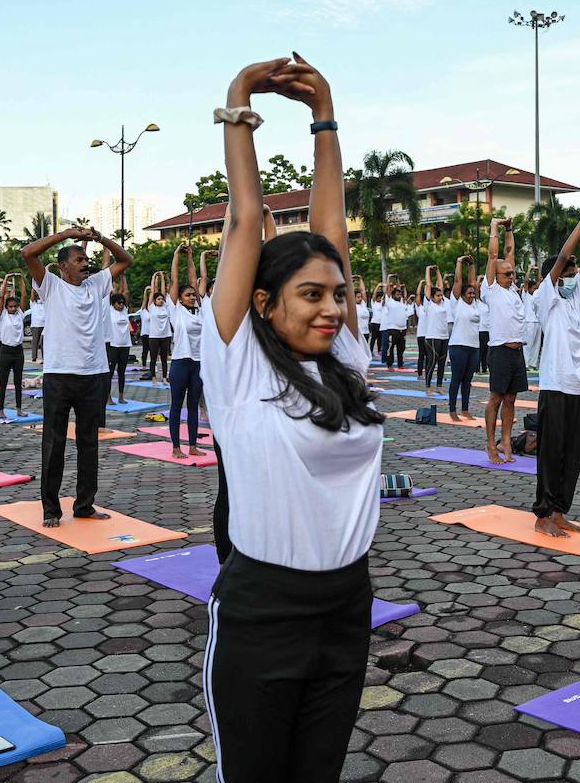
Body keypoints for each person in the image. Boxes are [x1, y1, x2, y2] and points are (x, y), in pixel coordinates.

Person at [203, 53, 386, 783]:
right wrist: (240, 97)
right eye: (309, 295)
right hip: (262, 612)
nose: (331, 308)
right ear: (263, 301)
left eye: (336, 295)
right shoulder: (237, 365)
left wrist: (326, 114)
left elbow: (330, 228)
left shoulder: (346, 360)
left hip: (347, 604)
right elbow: (249, 216)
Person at [22, 225, 132, 528]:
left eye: (86, 258)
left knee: (89, 443)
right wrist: (65, 235)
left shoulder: (96, 284)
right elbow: (28, 253)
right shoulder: (51, 285)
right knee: (54, 444)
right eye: (79, 259)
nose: (86, 263)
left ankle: (85, 505)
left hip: (94, 374)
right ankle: (50, 509)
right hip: (59, 375)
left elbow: (126, 260)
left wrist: (99, 238)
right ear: (63, 266)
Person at [533, 200, 580, 537]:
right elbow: (565, 256)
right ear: (555, 276)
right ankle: (543, 515)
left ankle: (561, 510)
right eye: (568, 270)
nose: (574, 273)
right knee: (550, 454)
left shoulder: (575, 295)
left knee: (571, 455)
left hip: (575, 385)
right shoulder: (545, 297)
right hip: (554, 384)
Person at [482, 217, 527, 463]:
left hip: (517, 352)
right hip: (499, 350)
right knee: (496, 399)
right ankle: (490, 445)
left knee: (511, 399)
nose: (512, 275)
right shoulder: (491, 288)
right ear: (496, 276)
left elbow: (510, 251)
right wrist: (495, 227)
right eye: (507, 273)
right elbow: (494, 255)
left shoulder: (511, 289)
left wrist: (510, 228)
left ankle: (506, 441)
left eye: (512, 273)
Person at [168, 244, 205, 459]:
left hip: (198, 363)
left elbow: (194, 281)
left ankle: (192, 445)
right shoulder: (176, 311)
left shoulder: (200, 310)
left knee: (193, 405)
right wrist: (176, 256)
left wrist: (191, 256)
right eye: (188, 295)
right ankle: (175, 447)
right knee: (176, 405)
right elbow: (176, 281)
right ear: (180, 298)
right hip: (181, 362)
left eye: (193, 294)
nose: (192, 296)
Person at [448, 256, 484, 420]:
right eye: (468, 293)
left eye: (473, 293)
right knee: (457, 378)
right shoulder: (457, 303)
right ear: (461, 294)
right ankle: (452, 410)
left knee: (467, 380)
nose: (471, 295)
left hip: (473, 347)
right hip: (458, 346)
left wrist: (472, 265)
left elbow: (473, 282)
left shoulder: (476, 303)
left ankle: (465, 409)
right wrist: (460, 262)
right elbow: (458, 280)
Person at [0, 273, 28, 422]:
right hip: (5, 351)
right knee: (3, 382)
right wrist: (7, 278)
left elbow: (24, 296)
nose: (13, 308)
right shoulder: (3, 314)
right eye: (11, 306)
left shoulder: (20, 314)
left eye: (15, 306)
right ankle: (1, 410)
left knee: (17, 382)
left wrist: (21, 278)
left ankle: (19, 409)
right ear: (6, 307)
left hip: (18, 352)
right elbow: (2, 295)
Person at [417, 266, 450, 390]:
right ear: (431, 297)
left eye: (441, 295)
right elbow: (429, 286)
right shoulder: (428, 304)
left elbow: (440, 286)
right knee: (432, 362)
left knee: (442, 363)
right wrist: (428, 270)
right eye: (437, 296)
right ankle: (428, 386)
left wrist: (437, 271)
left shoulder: (443, 303)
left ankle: (439, 386)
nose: (440, 297)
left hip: (444, 336)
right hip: (432, 337)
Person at [142, 272, 173, 382]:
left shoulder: (165, 306)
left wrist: (163, 278)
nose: (160, 300)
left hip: (166, 335)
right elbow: (154, 291)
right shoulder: (151, 307)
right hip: (154, 336)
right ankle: (154, 377)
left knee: (164, 358)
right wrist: (154, 277)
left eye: (161, 299)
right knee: (154, 358)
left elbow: (163, 291)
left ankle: (164, 377)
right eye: (158, 299)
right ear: (154, 300)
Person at [106, 283, 133, 406]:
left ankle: (121, 396)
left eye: (123, 303)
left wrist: (123, 276)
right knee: (110, 372)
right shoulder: (109, 310)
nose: (121, 305)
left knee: (122, 372)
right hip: (113, 345)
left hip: (125, 345)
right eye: (119, 303)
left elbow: (126, 291)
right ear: (113, 303)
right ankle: (108, 397)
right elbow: (107, 294)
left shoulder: (125, 310)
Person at [379, 283, 410, 368]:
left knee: (401, 348)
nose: (399, 296)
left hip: (402, 329)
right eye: (397, 294)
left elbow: (404, 294)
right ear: (392, 295)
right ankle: (390, 365)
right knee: (391, 348)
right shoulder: (389, 302)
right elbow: (388, 291)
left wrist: (400, 285)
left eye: (400, 294)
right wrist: (389, 280)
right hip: (393, 329)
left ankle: (400, 364)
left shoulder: (402, 302)